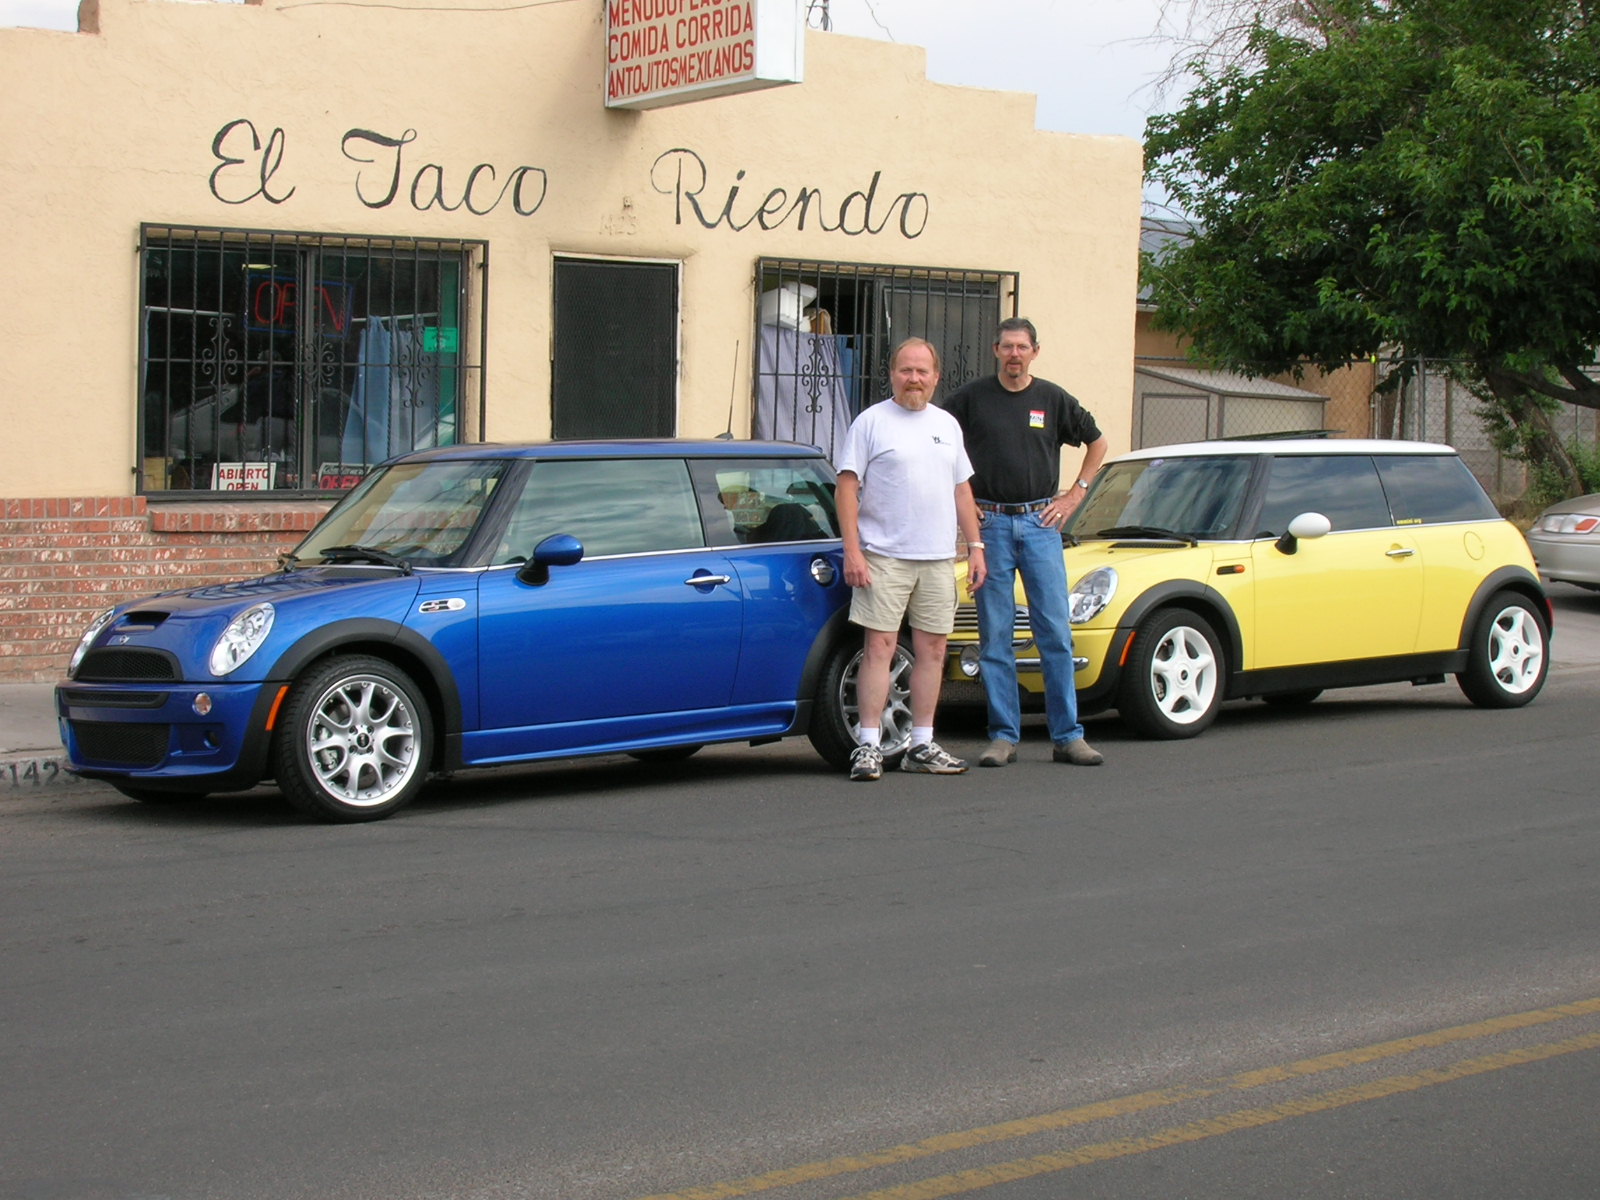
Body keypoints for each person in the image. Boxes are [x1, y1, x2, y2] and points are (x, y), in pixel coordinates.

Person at [942, 317, 1109, 768]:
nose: (1014, 354)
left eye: (1022, 347)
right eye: (1007, 347)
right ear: (995, 350)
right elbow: (938, 443)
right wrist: (964, 501)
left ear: (1035, 351)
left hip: (1040, 525)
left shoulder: (1052, 399)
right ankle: (1003, 736)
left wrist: (1076, 494)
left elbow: (1097, 443)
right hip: (991, 525)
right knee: (996, 637)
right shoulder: (969, 400)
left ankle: (1068, 736)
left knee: (1054, 632)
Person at [835, 338, 988, 782]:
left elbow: (962, 490)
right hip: (883, 557)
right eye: (906, 370)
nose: (914, 379)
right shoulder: (871, 423)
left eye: (922, 371)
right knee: (879, 648)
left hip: (939, 559)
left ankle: (921, 742)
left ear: (936, 377)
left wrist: (975, 547)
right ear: (892, 374)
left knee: (933, 651)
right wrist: (853, 550)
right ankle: (868, 746)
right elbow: (847, 488)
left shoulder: (947, 426)